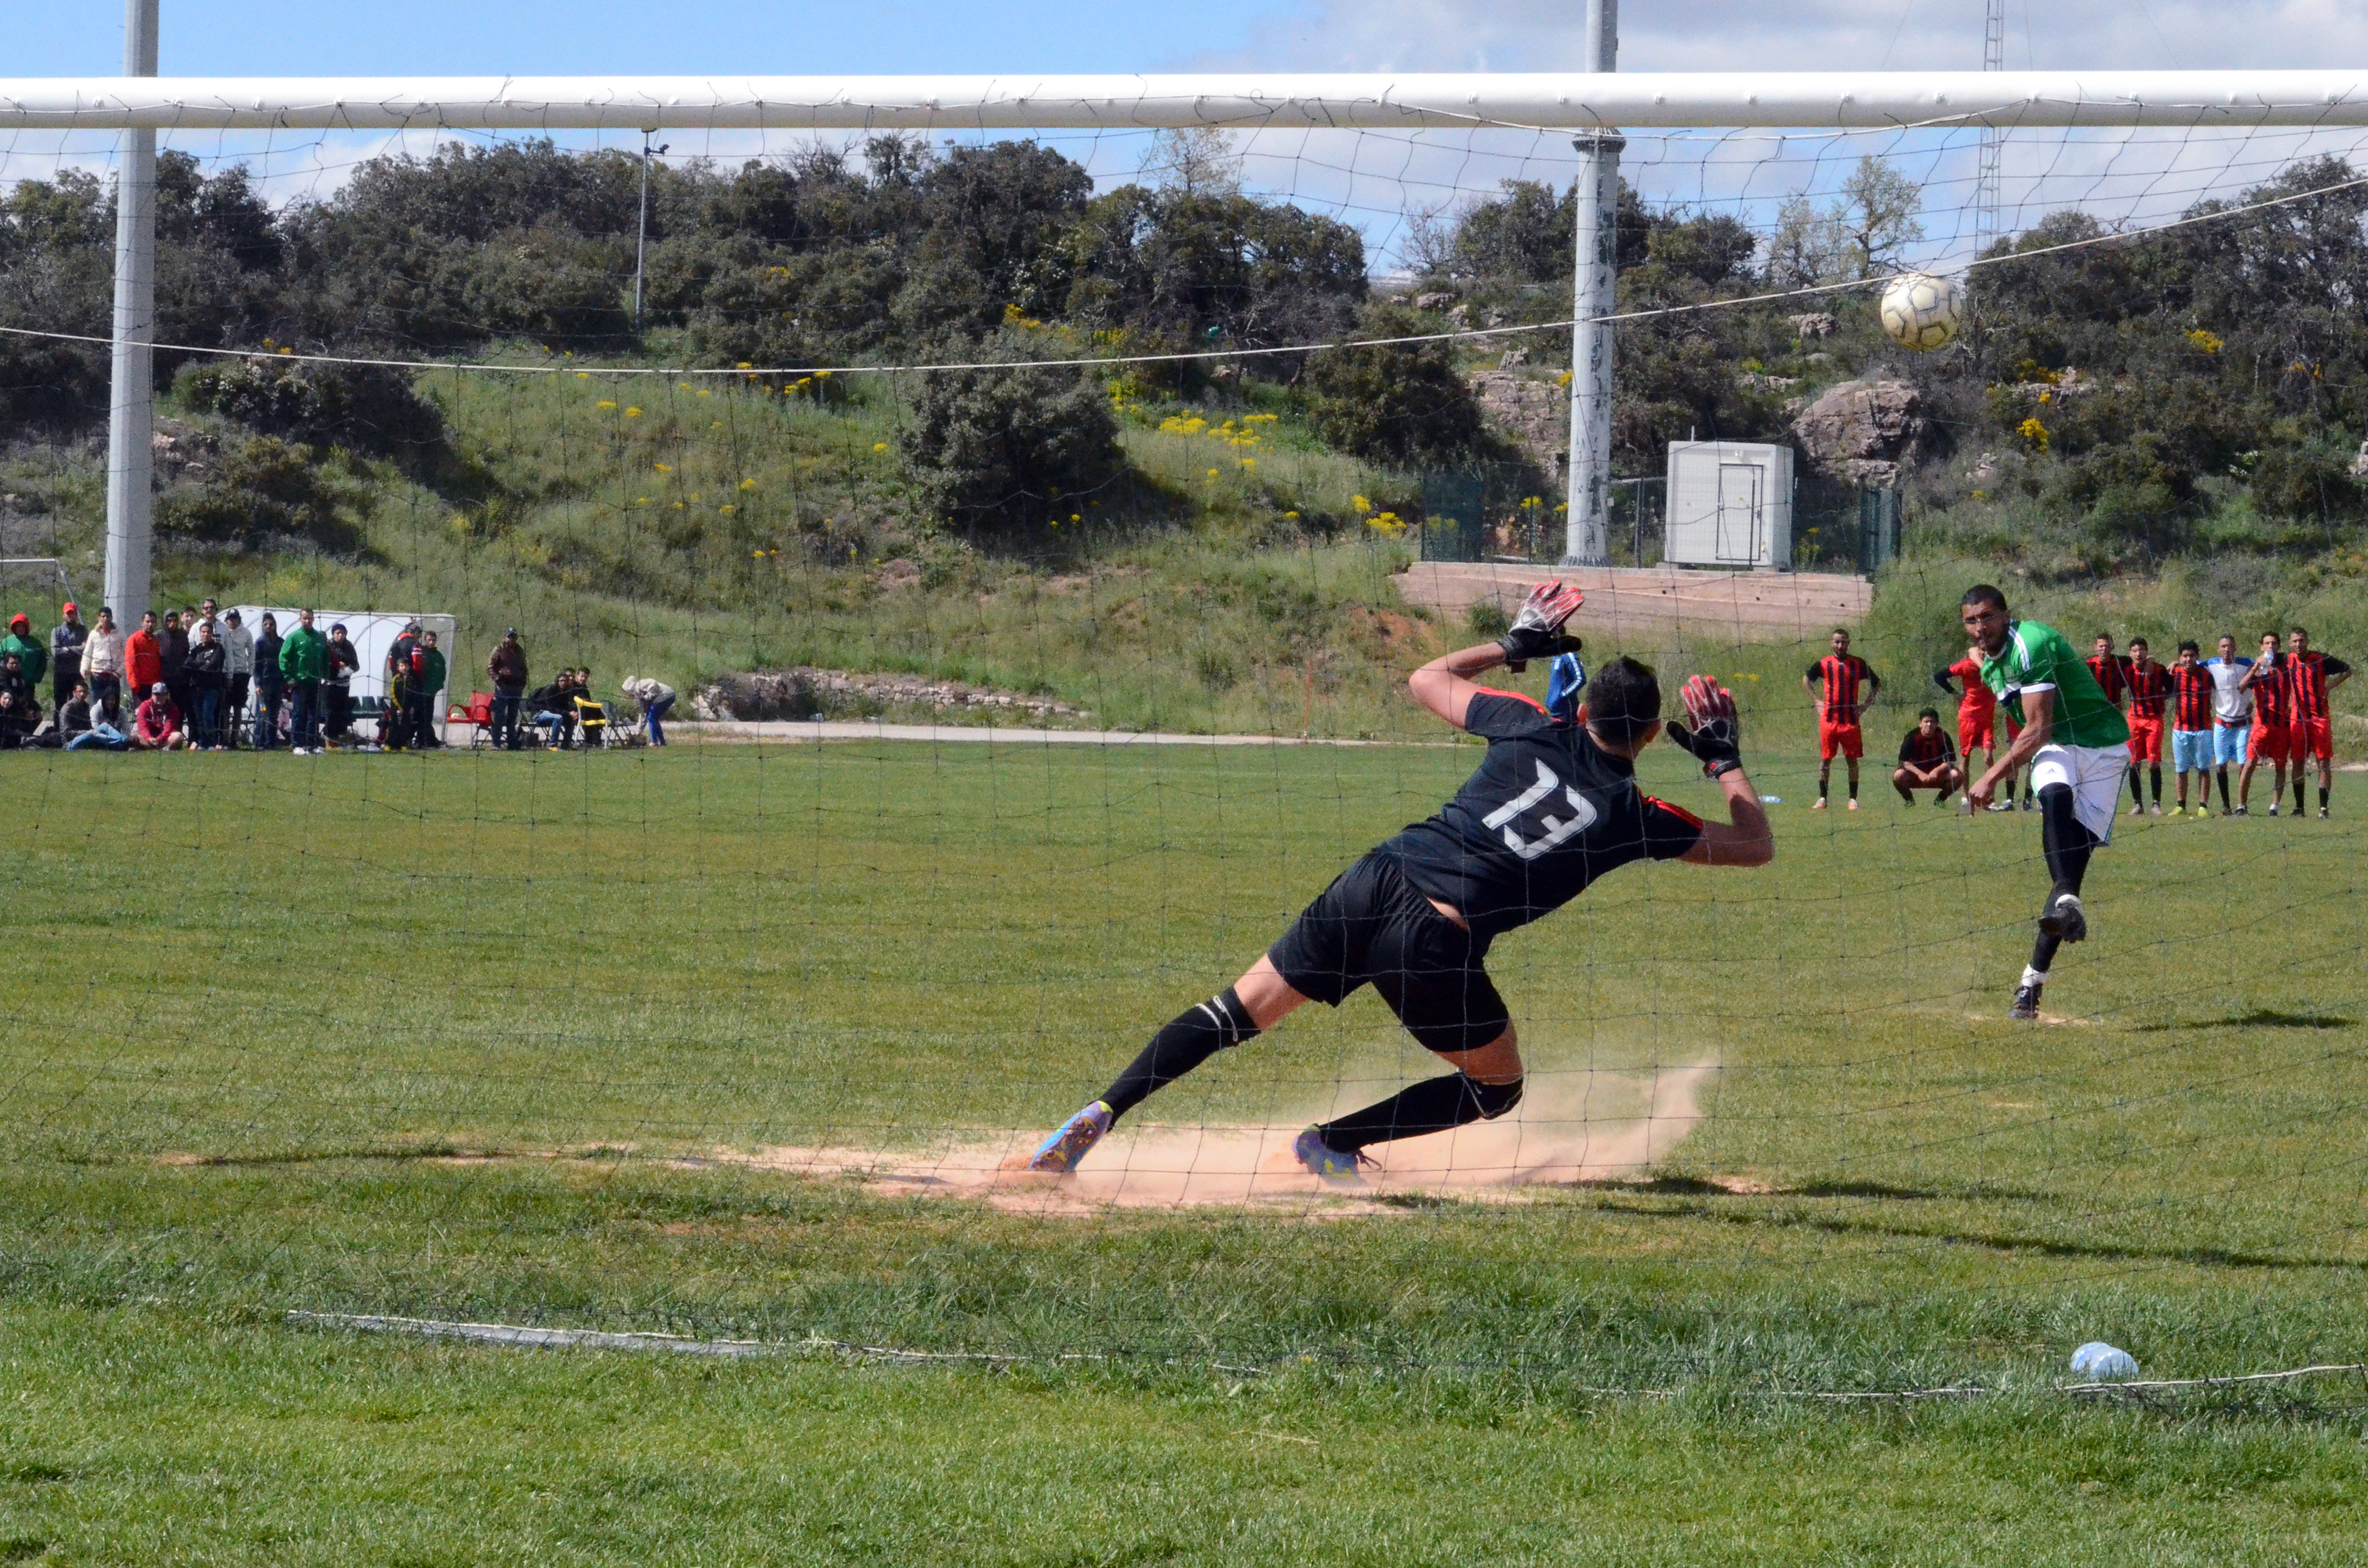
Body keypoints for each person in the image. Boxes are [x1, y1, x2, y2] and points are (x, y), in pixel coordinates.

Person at [1024, 582, 1774, 1181]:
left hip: (1375, 876)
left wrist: (1514, 643)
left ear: (1578, 711)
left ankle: (1104, 1108)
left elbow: (1426, 677)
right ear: (1648, 737)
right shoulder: (1634, 814)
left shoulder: (1527, 724)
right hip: (1435, 935)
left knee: (1232, 1011)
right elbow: (1753, 844)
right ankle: (1329, 1143)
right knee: (1498, 1090)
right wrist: (1720, 756)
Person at [1960, 585, 2131, 1022]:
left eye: (1987, 617)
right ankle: (2066, 909)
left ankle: (2030, 985)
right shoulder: (1991, 663)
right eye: (1971, 621)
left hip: (2104, 749)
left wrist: (1990, 777)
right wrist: (1982, 656)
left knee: (2070, 872)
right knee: (2053, 798)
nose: (1980, 628)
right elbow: (2034, 729)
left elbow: (2038, 728)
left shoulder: (2031, 643)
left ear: (2006, 615)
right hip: (2060, 749)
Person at [1935, 644, 2019, 812]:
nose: (1985, 653)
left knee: (1988, 756)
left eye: (1987, 651)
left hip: (1987, 717)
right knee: (1965, 758)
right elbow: (1939, 677)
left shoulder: (1993, 666)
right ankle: (1966, 797)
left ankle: (1990, 797)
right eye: (1982, 650)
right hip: (1969, 717)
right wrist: (1956, 694)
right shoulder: (1966, 665)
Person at [1805, 627, 1881, 810]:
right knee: (1825, 760)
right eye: (1837, 641)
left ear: (1848, 643)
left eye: (1844, 642)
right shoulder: (1824, 664)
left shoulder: (1858, 664)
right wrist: (1816, 701)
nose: (1840, 645)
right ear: (1832, 643)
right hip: (1829, 721)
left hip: (1850, 722)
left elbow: (1876, 683)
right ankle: (1822, 798)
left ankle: (1853, 799)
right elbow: (1806, 680)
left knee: (1852, 760)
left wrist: (1864, 706)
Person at [2282, 627, 2352, 819]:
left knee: (2324, 762)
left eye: (2301, 640)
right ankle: (2299, 808)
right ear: (2290, 643)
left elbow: (2348, 670)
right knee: (2297, 761)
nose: (2298, 644)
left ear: (2307, 641)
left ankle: (2323, 808)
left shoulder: (2320, 659)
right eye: (2295, 641)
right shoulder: (2287, 660)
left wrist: (2329, 687)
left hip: (2319, 717)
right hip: (2298, 719)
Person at [2238, 633, 2292, 816]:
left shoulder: (2286, 665)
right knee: (2250, 763)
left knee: (2280, 765)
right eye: (2267, 643)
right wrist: (2255, 667)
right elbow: (2242, 687)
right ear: (2261, 646)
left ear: (2279, 646)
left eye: (2274, 643)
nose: (2271, 646)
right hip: (2261, 723)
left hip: (2281, 724)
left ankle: (2275, 806)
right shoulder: (2259, 667)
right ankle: (2241, 805)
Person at [2204, 634, 2253, 815]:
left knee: (2243, 765)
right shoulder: (2211, 664)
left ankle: (2242, 805)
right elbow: (2190, 664)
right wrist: (2174, 664)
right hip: (2222, 723)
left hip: (2242, 723)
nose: (2227, 650)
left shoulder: (2246, 664)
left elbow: (2264, 667)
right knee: (2221, 764)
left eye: (2230, 646)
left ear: (2235, 649)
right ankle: (2226, 805)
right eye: (2223, 646)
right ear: (2218, 649)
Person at [2168, 640, 2217, 818]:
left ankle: (2203, 805)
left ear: (2197, 657)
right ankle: (2181, 805)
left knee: (2204, 768)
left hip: (2203, 729)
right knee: (2181, 770)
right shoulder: (2175, 673)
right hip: (2180, 729)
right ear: (2180, 657)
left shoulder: (2206, 675)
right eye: (2185, 656)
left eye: (2192, 656)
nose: (2188, 659)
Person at [2122, 636, 2171, 816]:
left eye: (2142, 650)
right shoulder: (2126, 670)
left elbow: (2172, 688)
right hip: (2134, 718)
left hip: (2154, 719)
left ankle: (2156, 804)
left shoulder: (2159, 670)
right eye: (2135, 650)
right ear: (2130, 654)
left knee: (2153, 763)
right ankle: (2138, 804)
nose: (2138, 653)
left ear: (2147, 652)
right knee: (2134, 762)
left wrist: (2160, 699)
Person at [280, 608, 329, 755]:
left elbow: (326, 658)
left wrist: (325, 677)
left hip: (315, 682)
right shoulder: (294, 637)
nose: (307, 621)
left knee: (314, 715)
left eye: (310, 618)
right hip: (300, 683)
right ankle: (297, 745)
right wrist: (289, 678)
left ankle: (312, 745)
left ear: (313, 620)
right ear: (300, 619)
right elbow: (283, 659)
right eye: (304, 618)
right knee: (299, 713)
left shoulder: (320, 637)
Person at [1892, 709, 1963, 805]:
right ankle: (1909, 800)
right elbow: (1904, 763)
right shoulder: (1912, 737)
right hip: (1916, 777)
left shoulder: (1943, 736)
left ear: (1937, 724)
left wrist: (1937, 771)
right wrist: (1920, 774)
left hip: (1937, 776)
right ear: (1920, 724)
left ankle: (1941, 799)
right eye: (1926, 722)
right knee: (1898, 775)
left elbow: (1950, 762)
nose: (1929, 725)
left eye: (1933, 722)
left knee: (1957, 776)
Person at [184, 618, 229, 749]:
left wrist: (199, 665)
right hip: (196, 687)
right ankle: (203, 742)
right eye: (203, 632)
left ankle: (213, 741)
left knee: (208, 715)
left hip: (212, 688)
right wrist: (203, 664)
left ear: (212, 633)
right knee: (199, 717)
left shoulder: (218, 648)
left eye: (208, 632)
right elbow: (187, 664)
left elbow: (213, 665)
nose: (205, 635)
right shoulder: (197, 650)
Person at [83, 608, 125, 726]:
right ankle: (95, 729)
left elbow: (127, 655)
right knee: (96, 704)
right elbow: (87, 653)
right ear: (99, 618)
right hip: (97, 675)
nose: (106, 619)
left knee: (113, 704)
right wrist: (85, 669)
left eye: (108, 616)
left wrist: (119, 672)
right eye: (103, 616)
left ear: (112, 618)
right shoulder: (94, 634)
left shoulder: (120, 634)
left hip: (114, 676)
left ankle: (114, 728)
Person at [488, 629, 529, 751]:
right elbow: (490, 668)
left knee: (513, 716)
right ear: (505, 637)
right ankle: (496, 743)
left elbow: (524, 668)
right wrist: (498, 679)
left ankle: (512, 742)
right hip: (503, 687)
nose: (512, 640)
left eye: (514, 637)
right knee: (500, 716)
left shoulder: (520, 651)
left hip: (516, 687)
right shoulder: (498, 650)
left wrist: (523, 682)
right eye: (509, 637)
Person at [408, 631, 448, 748]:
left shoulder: (438, 656)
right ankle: (413, 740)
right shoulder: (421, 652)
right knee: (418, 717)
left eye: (433, 640)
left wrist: (439, 684)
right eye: (429, 640)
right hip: (420, 690)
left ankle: (424, 740)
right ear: (425, 640)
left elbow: (442, 672)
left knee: (428, 717)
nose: (431, 642)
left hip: (431, 692)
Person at [250, 613, 285, 749]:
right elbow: (256, 666)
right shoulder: (260, 643)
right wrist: (258, 684)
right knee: (262, 713)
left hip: (278, 684)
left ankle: (271, 742)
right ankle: (258, 742)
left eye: (271, 624)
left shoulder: (281, 643)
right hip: (264, 684)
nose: (268, 627)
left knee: (274, 714)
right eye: (265, 624)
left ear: (275, 625)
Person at [220, 610, 254, 748]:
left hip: (241, 673)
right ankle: (224, 738)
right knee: (225, 708)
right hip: (226, 671)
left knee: (238, 708)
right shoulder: (223, 632)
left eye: (235, 619)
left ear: (239, 620)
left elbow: (251, 652)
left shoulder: (246, 633)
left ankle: (234, 739)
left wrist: (250, 672)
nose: (232, 621)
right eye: (230, 619)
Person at [324, 623, 361, 746]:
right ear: (333, 634)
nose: (341, 636)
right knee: (331, 712)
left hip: (345, 684)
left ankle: (339, 737)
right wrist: (335, 665)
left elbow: (356, 665)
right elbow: (324, 663)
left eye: (343, 633)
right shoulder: (328, 646)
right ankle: (328, 739)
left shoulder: (349, 646)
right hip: (331, 684)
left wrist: (348, 668)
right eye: (338, 633)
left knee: (342, 711)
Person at [47, 601, 86, 720]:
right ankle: (58, 729)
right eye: (68, 613)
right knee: (60, 704)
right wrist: (76, 650)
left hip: (76, 673)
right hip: (61, 673)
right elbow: (56, 653)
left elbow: (85, 649)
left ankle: (76, 727)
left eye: (73, 613)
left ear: (76, 615)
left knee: (77, 702)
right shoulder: (57, 631)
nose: (71, 616)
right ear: (64, 615)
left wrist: (67, 649)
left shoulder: (82, 630)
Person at [61, 681, 126, 751]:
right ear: (74, 693)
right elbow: (66, 733)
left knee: (105, 726)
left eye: (85, 692)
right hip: (70, 743)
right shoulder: (67, 708)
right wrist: (85, 732)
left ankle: (123, 739)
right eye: (80, 691)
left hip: (87, 738)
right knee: (92, 734)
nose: (82, 694)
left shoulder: (86, 706)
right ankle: (123, 741)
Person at [530, 669, 579, 749]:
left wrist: (573, 713)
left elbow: (564, 707)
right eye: (561, 681)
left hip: (553, 714)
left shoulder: (566, 692)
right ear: (557, 681)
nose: (563, 683)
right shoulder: (550, 690)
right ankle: (552, 745)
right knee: (558, 718)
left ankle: (566, 745)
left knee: (571, 720)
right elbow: (551, 709)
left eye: (566, 681)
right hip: (539, 714)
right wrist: (568, 714)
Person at [621, 675, 675, 746]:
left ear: (630, 689)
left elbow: (653, 683)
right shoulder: (639, 695)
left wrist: (648, 696)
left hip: (667, 695)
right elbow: (644, 714)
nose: (628, 695)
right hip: (666, 697)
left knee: (652, 718)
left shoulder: (640, 686)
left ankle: (654, 742)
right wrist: (640, 731)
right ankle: (662, 742)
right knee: (653, 718)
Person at [1, 613, 45, 699]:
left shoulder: (35, 643)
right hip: (9, 682)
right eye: (18, 626)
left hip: (28, 682)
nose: (20, 629)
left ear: (27, 627)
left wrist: (36, 677)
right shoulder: (7, 642)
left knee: (27, 705)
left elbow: (43, 662)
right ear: (14, 628)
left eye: (23, 626)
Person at [131, 682, 186, 751]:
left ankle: (157, 748)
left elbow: (169, 728)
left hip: (164, 738)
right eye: (157, 695)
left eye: (164, 694)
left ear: (167, 696)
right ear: (152, 695)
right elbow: (143, 727)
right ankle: (154, 748)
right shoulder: (144, 706)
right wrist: (149, 738)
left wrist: (159, 739)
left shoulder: (172, 708)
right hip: (148, 737)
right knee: (134, 736)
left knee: (178, 736)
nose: (161, 697)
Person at [2086, 634, 2131, 715]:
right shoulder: (2089, 664)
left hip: (2114, 710)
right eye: (2101, 646)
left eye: (2107, 646)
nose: (2104, 649)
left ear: (2112, 647)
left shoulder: (2121, 662)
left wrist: (2149, 661)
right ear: (2096, 647)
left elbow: (2141, 660)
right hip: (2094, 710)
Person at [159, 609, 190, 725]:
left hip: (180, 679)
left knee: (179, 709)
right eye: (169, 621)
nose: (172, 624)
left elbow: (187, 655)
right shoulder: (159, 636)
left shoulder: (183, 636)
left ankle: (178, 735)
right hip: (163, 678)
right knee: (162, 708)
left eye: (175, 621)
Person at [0, 654, 36, 746]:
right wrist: (22, 705)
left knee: (37, 714)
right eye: (12, 663)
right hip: (9, 706)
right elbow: (7, 691)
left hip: (20, 704)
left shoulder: (19, 675)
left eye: (17, 663)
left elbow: (24, 690)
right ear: (6, 663)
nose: (15, 665)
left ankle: (27, 737)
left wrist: (30, 705)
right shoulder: (3, 675)